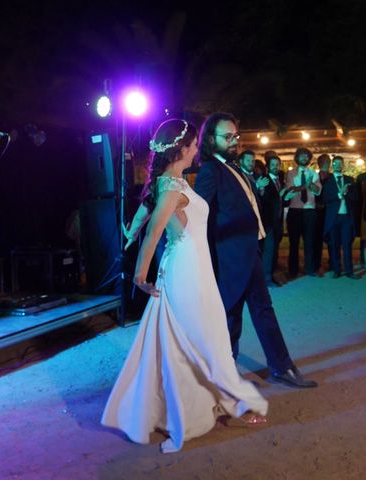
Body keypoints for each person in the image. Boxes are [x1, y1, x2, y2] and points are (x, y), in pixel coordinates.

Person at [102, 119, 268, 454]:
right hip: (184, 270)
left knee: (207, 337)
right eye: (193, 145)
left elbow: (147, 218)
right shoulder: (172, 188)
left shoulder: (175, 181)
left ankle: (218, 400)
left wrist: (132, 230)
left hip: (197, 267)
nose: (197, 149)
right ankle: (211, 406)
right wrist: (140, 275)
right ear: (181, 149)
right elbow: (153, 232)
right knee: (195, 341)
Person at [194, 112, 317, 389]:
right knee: (231, 316)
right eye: (227, 137)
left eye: (236, 136)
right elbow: (203, 216)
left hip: (251, 251)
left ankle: (282, 366)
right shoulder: (210, 170)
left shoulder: (235, 167)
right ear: (210, 139)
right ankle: (224, 375)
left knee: (263, 310)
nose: (234, 141)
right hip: (230, 257)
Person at [284, 147, 322, 277]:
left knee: (309, 241)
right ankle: (293, 271)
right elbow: (290, 190)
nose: (304, 158)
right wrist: (305, 185)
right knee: (293, 243)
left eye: (306, 156)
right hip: (295, 211)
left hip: (309, 211)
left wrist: (310, 185)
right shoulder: (290, 173)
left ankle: (309, 269)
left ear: (309, 159)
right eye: (301, 156)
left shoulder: (314, 173)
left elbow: (317, 191)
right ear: (297, 158)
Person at [321, 156, 359, 278]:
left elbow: (356, 198)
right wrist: (339, 194)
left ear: (343, 165)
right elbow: (324, 199)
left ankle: (349, 271)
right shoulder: (327, 181)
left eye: (340, 163)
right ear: (333, 165)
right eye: (335, 163)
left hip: (346, 217)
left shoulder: (350, 180)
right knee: (334, 244)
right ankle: (337, 270)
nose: (338, 165)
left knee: (347, 244)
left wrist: (346, 193)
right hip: (333, 218)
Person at [260, 154, 286, 287]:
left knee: (275, 249)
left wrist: (286, 197)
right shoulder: (264, 180)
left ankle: (272, 274)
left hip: (278, 221)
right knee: (268, 250)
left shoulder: (281, 180)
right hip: (268, 221)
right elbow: (263, 200)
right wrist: (279, 195)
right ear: (268, 167)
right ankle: (267, 279)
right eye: (273, 165)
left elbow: (282, 201)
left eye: (277, 164)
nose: (276, 167)